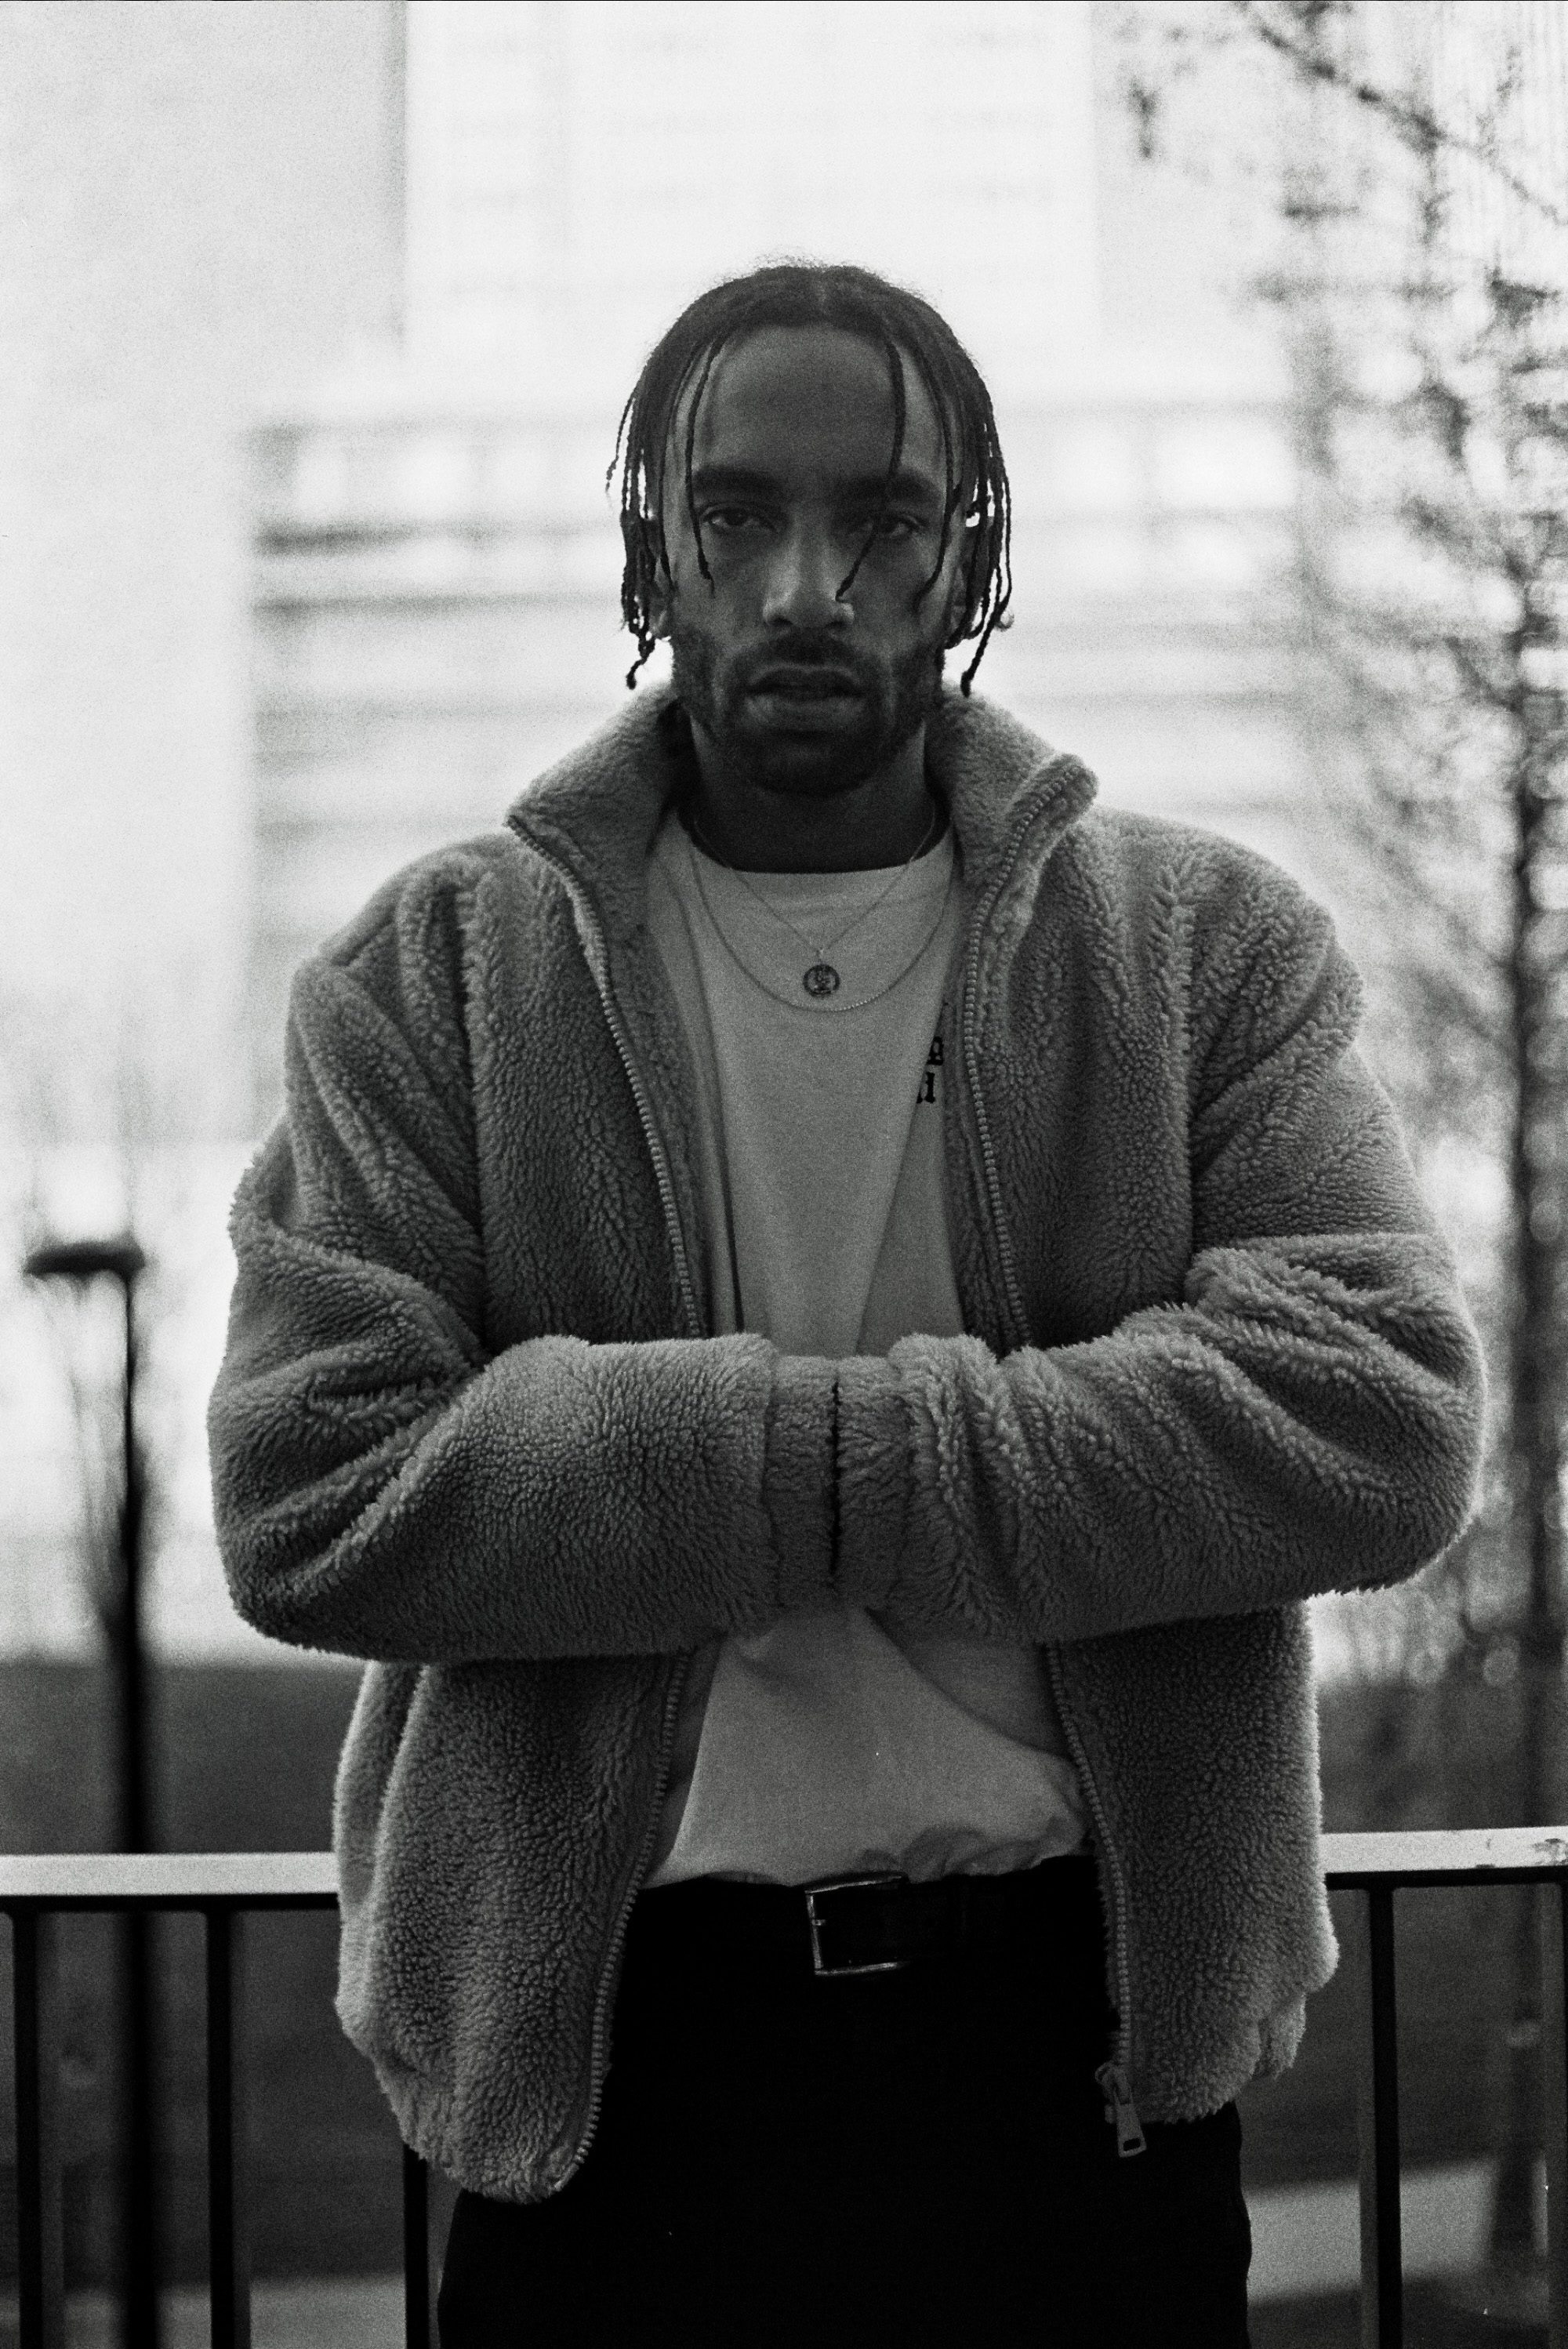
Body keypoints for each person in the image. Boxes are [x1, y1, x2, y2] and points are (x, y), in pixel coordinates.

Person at [209, 261, 1484, 2345]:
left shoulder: (1205, 950)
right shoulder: (433, 976)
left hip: (1079, 2073)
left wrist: (785, 1467)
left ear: (971, 557)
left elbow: (1383, 1416)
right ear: (656, 553)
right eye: (737, 517)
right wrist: (897, 1462)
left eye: (883, 522)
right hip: (609, 2082)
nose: (809, 586)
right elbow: (312, 1490)